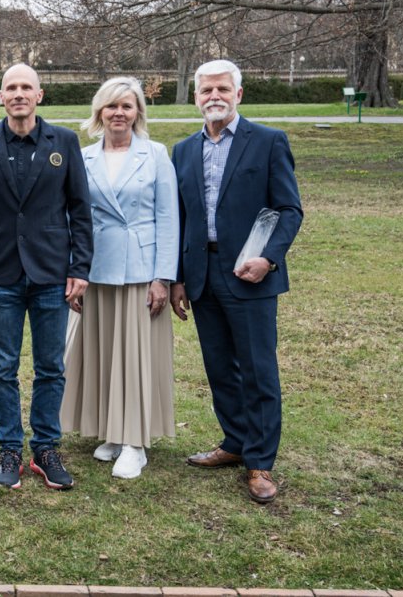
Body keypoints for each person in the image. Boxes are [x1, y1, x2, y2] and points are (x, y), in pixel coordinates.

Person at [170, 60, 303, 504]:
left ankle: (260, 462)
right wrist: (177, 278)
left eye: (223, 89)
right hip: (202, 276)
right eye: (206, 90)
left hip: (250, 275)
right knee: (219, 367)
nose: (215, 97)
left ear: (238, 94)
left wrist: (268, 258)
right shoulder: (183, 151)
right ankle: (234, 442)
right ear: (196, 97)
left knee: (258, 370)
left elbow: (289, 209)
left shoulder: (267, 142)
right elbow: (180, 218)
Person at [0, 63, 93, 490]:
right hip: (1, 273)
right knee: (2, 368)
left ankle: (45, 448)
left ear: (39, 95)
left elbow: (80, 209)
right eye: (11, 87)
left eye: (27, 87)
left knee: (50, 367)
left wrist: (80, 268)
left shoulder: (65, 141)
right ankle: (9, 447)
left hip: (52, 273)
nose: (19, 93)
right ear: (1, 96)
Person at [59, 77, 177, 480]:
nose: (119, 113)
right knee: (103, 352)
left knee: (136, 356)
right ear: (100, 112)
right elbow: (73, 217)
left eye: (127, 106)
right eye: (111, 106)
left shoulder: (155, 154)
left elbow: (168, 218)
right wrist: (74, 270)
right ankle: (112, 430)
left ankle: (135, 443)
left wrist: (163, 277)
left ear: (138, 111)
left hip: (140, 270)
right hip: (95, 269)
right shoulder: (84, 156)